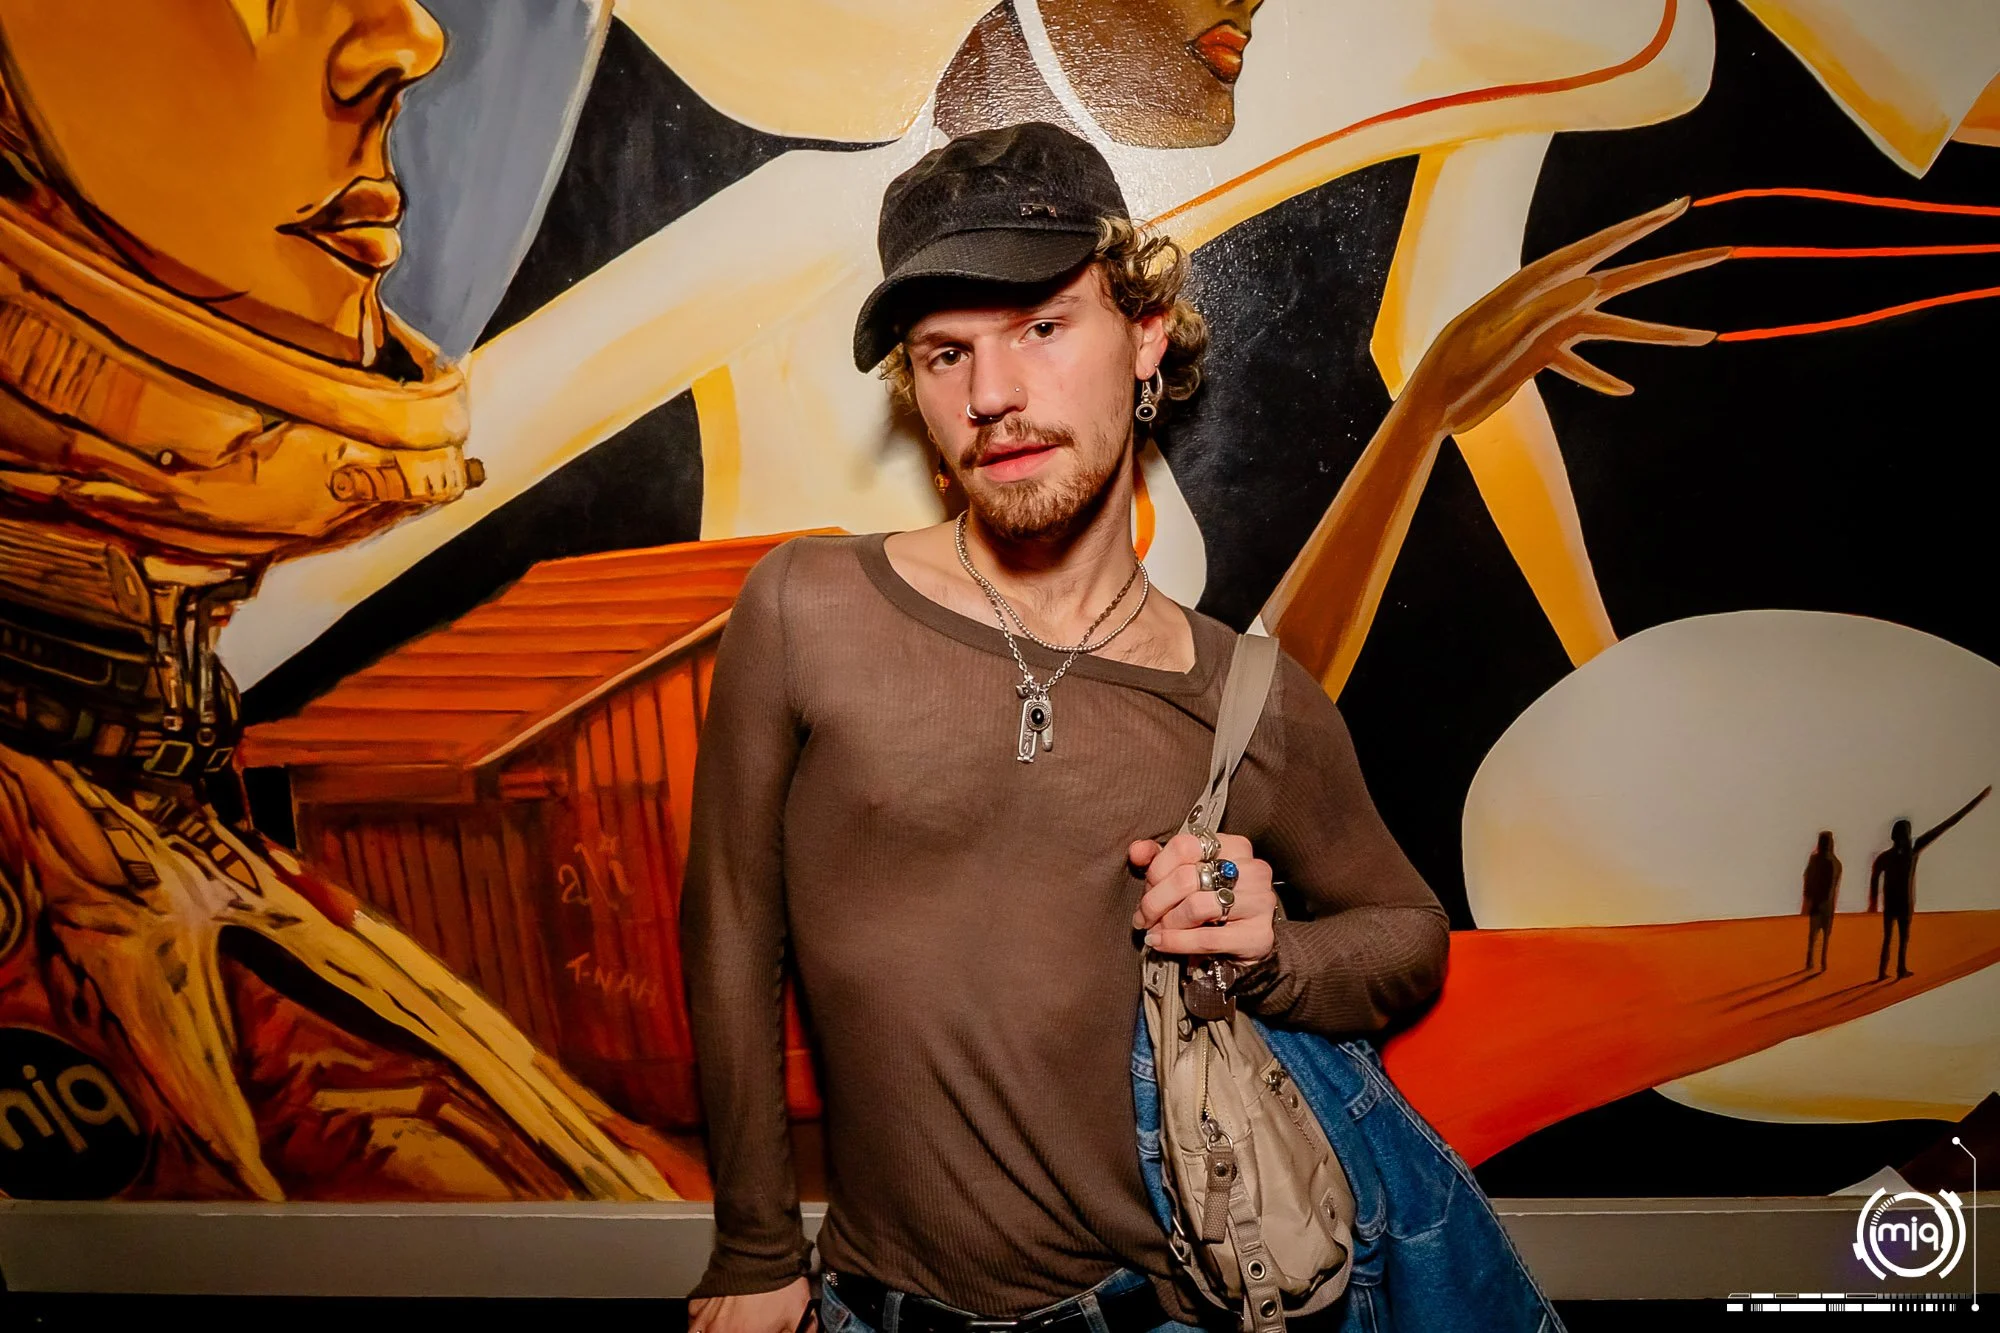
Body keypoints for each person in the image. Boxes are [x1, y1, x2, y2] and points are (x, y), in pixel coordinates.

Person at [679, 122, 1453, 1333]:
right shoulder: (805, 606)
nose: (990, 396)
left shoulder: (1245, 694)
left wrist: (1267, 953)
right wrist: (752, 1247)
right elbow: (729, 919)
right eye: (945, 354)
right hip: (872, 1307)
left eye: (1041, 328)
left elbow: (1408, 936)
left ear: (1144, 335)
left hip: (1169, 1308)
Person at [1868, 786, 1992, 981]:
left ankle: (1888, 971)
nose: (1906, 838)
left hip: (1894, 903)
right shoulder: (1910, 851)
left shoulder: (1888, 856)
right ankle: (1896, 969)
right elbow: (1946, 825)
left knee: (1892, 938)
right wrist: (1976, 801)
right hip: (1902, 903)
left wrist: (1873, 902)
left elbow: (1875, 877)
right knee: (1899, 938)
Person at [1800, 831, 1840, 972]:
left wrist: (1808, 897)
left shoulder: (1817, 860)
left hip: (1820, 902)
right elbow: (1832, 884)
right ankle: (1820, 961)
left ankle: (1813, 960)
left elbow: (1807, 877)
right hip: (1825, 904)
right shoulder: (1834, 862)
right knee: (1822, 934)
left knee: (1814, 934)